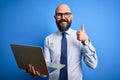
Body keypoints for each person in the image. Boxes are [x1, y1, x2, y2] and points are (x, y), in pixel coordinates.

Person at [26, 4, 98, 80]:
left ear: (71, 16)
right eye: (59, 15)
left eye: (66, 14)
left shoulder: (81, 37)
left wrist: (86, 42)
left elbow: (92, 65)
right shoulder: (48, 39)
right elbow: (45, 72)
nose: (63, 18)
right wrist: (37, 71)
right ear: (55, 17)